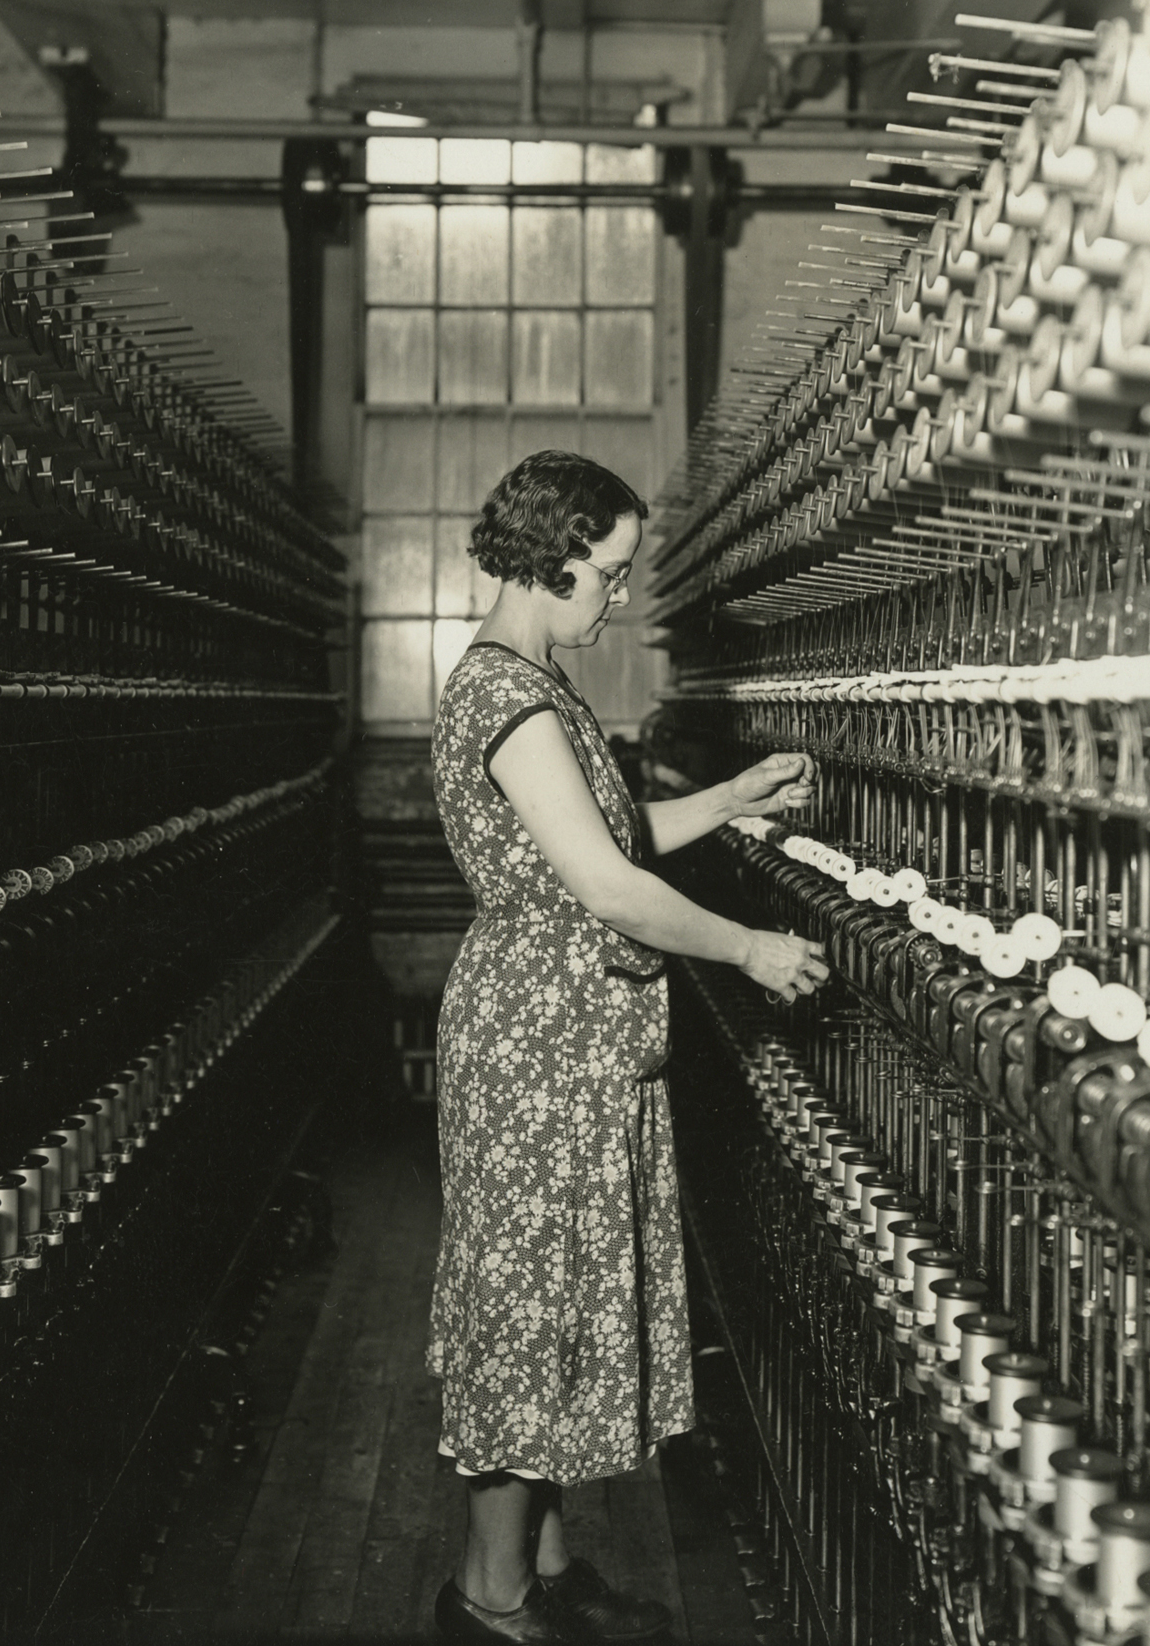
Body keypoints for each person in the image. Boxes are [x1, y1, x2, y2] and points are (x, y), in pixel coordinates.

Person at [429, 451, 828, 1642]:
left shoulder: (533, 684)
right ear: (551, 560)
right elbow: (604, 884)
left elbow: (610, 830)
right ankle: (488, 1601)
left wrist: (733, 797)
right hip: (537, 1051)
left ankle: (542, 1568)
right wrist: (748, 948)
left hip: (570, 1041)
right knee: (528, 1313)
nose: (615, 596)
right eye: (607, 572)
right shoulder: (502, 696)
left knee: (553, 1300)